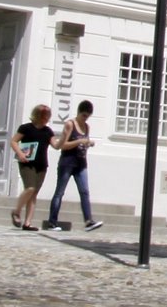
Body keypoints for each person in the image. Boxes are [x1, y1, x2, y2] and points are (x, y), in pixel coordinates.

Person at [45, 99, 102, 232]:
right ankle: (52, 222)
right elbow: (62, 145)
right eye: (83, 115)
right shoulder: (70, 124)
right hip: (67, 162)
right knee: (60, 192)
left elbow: (84, 142)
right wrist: (79, 141)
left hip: (81, 163)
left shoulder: (87, 127)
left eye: (87, 116)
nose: (85, 118)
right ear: (78, 112)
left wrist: (88, 143)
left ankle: (88, 221)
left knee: (84, 191)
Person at [8, 103, 53, 231]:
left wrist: (65, 138)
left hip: (42, 164)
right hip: (27, 162)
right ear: (37, 115)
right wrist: (20, 153)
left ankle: (27, 223)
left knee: (34, 193)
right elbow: (13, 141)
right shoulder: (26, 128)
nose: (46, 119)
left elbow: (55, 144)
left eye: (47, 116)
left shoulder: (48, 131)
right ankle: (16, 211)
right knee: (30, 188)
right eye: (44, 116)